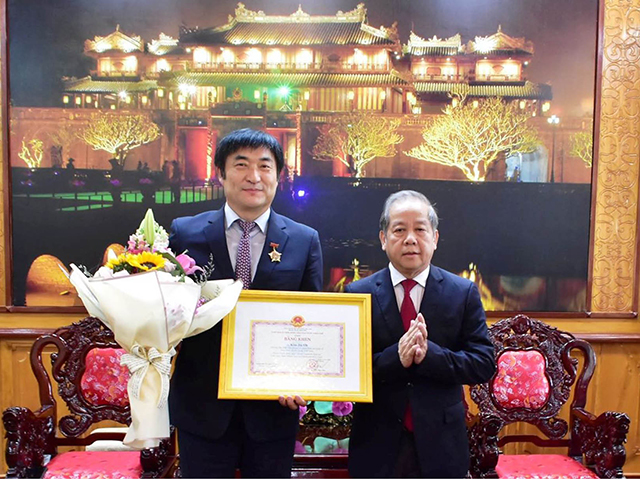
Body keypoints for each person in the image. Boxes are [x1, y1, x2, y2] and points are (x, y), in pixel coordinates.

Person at [168, 128, 323, 478]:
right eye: (241, 164)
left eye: (264, 166)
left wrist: (300, 378)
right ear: (221, 174)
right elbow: (166, 309)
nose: (254, 176)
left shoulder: (303, 240)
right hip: (202, 405)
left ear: (278, 176)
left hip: (273, 408)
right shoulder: (184, 233)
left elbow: (310, 321)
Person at [345, 190, 496, 478]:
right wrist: (396, 357)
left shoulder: (462, 292)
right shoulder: (358, 293)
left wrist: (431, 355)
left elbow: (483, 364)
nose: (410, 239)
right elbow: (349, 369)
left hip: (442, 442)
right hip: (376, 441)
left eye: (420, 230)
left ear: (435, 238)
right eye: (399, 230)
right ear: (383, 239)